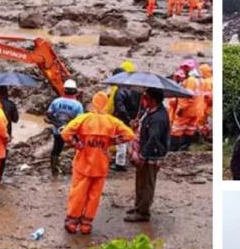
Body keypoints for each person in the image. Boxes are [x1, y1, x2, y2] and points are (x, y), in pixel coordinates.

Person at [61, 91, 136, 235]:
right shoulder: (112, 121)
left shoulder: (84, 119)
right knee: (94, 196)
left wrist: (76, 143)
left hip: (83, 163)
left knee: (78, 193)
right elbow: (130, 135)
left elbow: (65, 133)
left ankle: (72, 222)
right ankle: (86, 224)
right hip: (101, 164)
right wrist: (112, 141)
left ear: (93, 103)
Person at [124, 87, 170, 223]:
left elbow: (153, 138)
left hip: (151, 155)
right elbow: (146, 129)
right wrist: (136, 125)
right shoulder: (150, 112)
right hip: (146, 152)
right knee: (140, 180)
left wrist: (143, 155)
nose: (143, 100)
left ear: (153, 100)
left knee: (147, 183)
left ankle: (143, 212)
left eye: (146, 98)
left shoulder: (159, 117)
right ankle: (138, 206)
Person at [46, 79, 84, 176]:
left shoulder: (56, 101)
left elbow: (49, 114)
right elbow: (79, 121)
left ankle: (54, 170)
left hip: (57, 131)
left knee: (56, 150)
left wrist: (57, 123)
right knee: (78, 148)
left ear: (64, 90)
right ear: (75, 91)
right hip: (72, 133)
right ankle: (77, 168)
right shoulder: (78, 105)